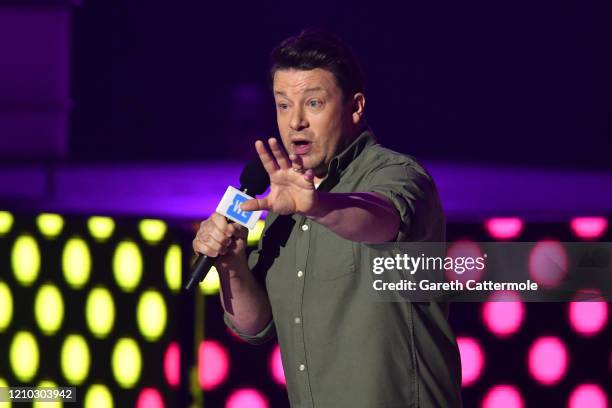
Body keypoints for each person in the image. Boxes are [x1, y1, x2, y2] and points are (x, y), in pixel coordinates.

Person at [193, 28, 462, 408]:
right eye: (283, 105)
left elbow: (382, 220)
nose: (295, 122)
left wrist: (316, 205)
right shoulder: (282, 203)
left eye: (314, 103)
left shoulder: (396, 174)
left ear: (355, 107)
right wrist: (231, 264)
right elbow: (255, 327)